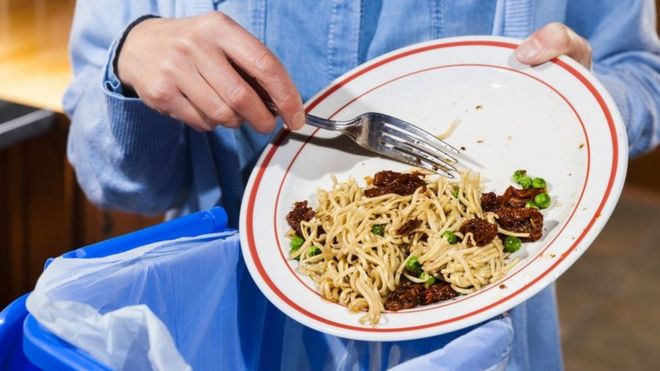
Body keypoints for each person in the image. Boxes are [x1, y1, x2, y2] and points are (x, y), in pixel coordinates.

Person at [64, 1, 660, 369]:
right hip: (232, 337)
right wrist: (129, 61)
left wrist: (585, 102)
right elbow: (113, 183)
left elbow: (641, 76)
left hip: (482, 344)